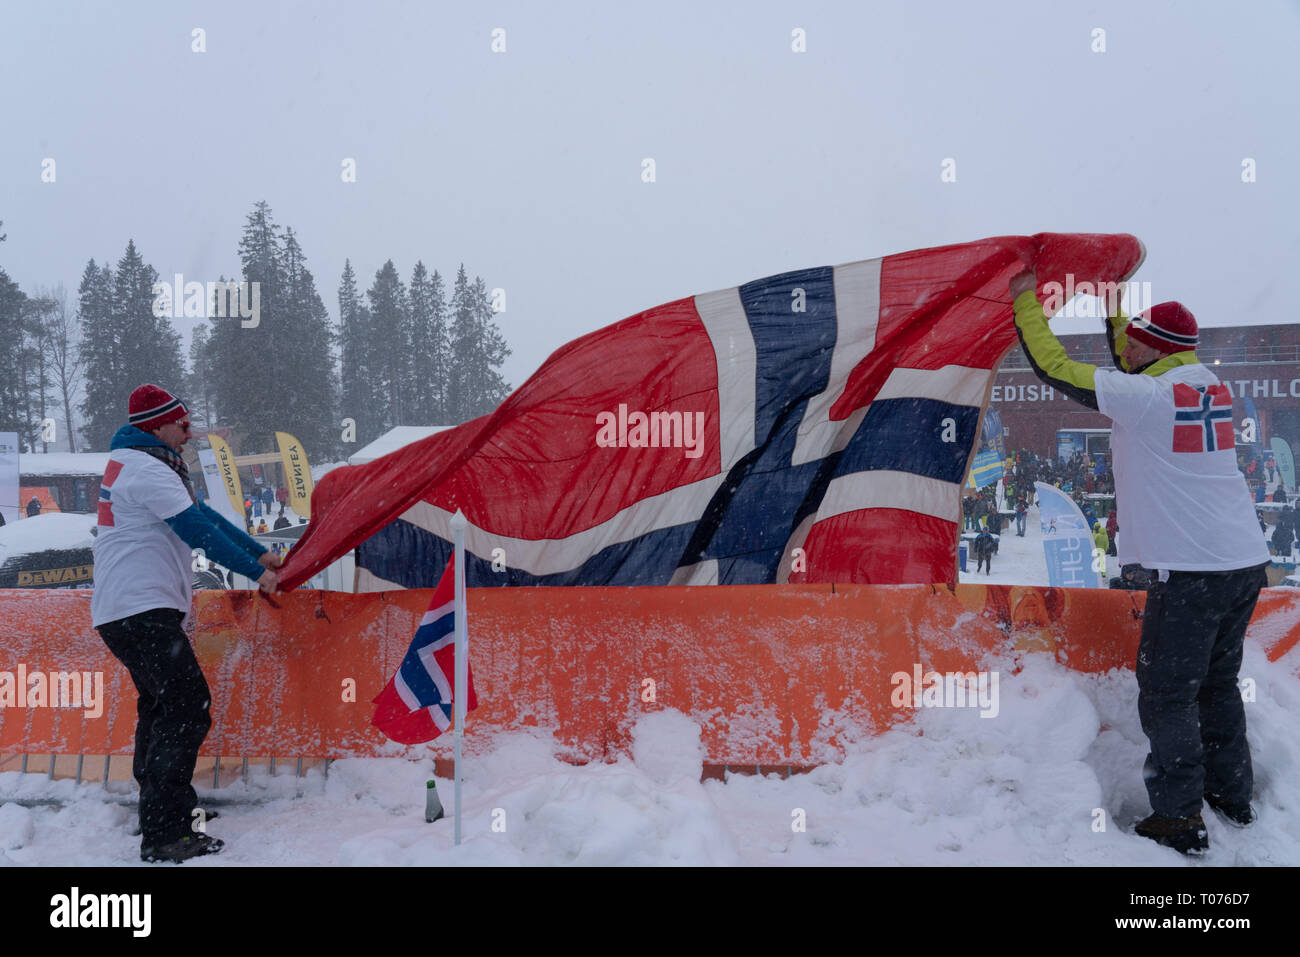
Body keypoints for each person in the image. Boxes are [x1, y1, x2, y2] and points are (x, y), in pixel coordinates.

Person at [1012, 270, 1268, 855]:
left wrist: (1023, 298)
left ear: (1154, 349)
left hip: (1195, 571)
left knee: (1167, 692)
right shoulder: (1208, 385)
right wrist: (1112, 305)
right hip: (1243, 563)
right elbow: (1140, 353)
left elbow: (1051, 365)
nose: (1123, 346)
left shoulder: (1145, 396)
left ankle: (1178, 817)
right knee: (1219, 684)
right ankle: (1233, 796)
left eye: (1134, 340)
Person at [91, 384, 281, 864]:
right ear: (157, 424)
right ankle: (165, 833)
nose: (189, 433)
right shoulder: (146, 469)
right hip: (140, 610)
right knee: (186, 708)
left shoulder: (140, 462)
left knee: (160, 708)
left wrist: (259, 552)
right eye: (183, 424)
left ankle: (163, 811)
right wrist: (261, 574)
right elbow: (195, 531)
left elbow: (205, 515)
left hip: (128, 610)